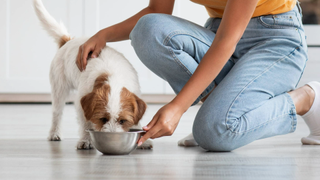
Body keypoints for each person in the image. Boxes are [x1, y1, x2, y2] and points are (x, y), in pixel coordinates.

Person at [76, 0, 320, 151]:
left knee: (215, 133)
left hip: (274, 39)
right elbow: (157, 11)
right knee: (148, 30)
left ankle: (305, 99)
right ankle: (217, 107)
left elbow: (228, 41)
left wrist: (177, 107)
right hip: (217, 31)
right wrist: (103, 34)